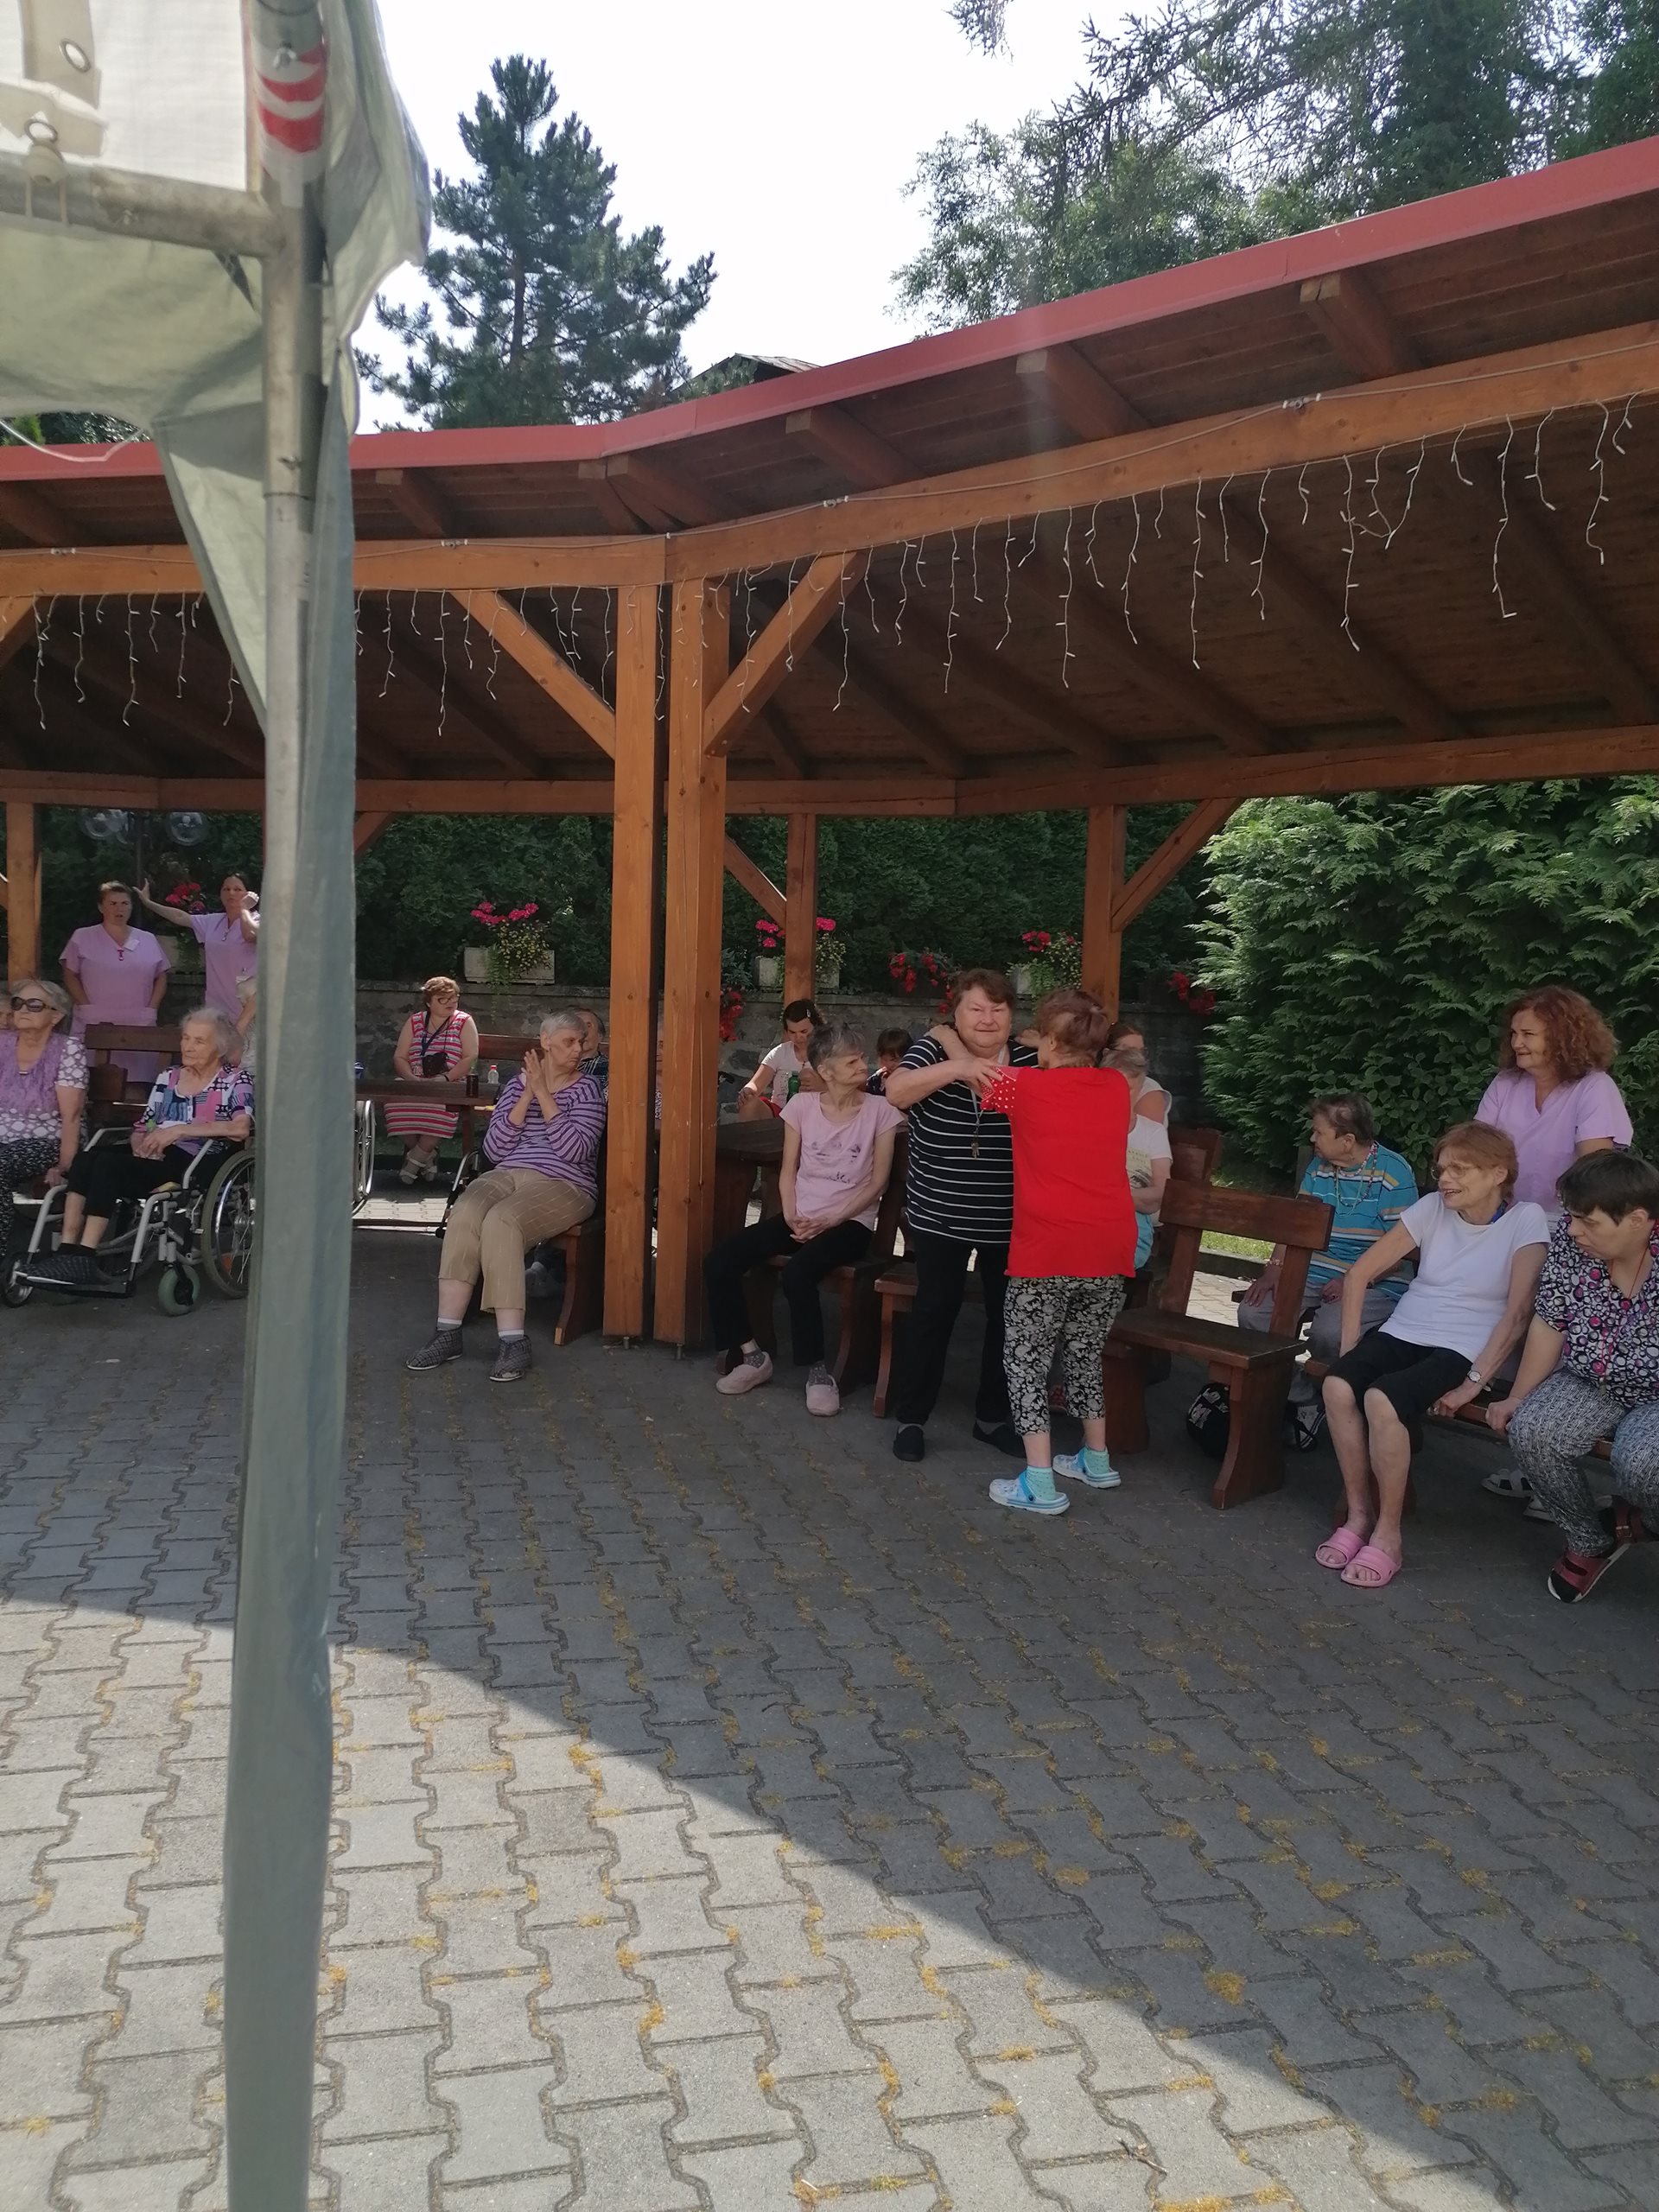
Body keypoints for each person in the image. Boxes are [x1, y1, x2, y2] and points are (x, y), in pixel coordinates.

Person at [1319, 1122, 1548, 1590]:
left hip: (1462, 1347)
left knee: (1382, 1399)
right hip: (1404, 1329)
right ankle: (1358, 1516)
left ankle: (1388, 1536)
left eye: (1459, 1170)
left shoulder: (1526, 1220)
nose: (1444, 1179)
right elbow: (1359, 1274)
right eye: (1442, 1169)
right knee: (1338, 1385)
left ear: (1498, 1173)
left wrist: (1473, 1384)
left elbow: (1520, 1313)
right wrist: (1348, 1353)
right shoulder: (1431, 1209)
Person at [975, 990, 1136, 1515]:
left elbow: (977, 1073)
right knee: (1085, 1353)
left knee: (1026, 1360)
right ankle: (1096, 1460)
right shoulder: (1116, 1086)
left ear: (1047, 1040)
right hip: (1109, 1244)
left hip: (1048, 1247)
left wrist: (953, 1038)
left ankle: (1039, 1483)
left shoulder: (1024, 1087)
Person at [706, 1022, 903, 1416]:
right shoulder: (801, 1108)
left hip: (850, 1224)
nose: (862, 1066)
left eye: (861, 1059)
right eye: (851, 1061)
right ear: (826, 1070)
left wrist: (831, 1219)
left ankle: (817, 1374)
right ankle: (752, 1355)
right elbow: (787, 1170)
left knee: (799, 1274)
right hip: (801, 1217)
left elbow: (878, 1183)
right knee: (720, 1261)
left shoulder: (882, 1112)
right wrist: (792, 1214)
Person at [1489, 1151, 1659, 1604]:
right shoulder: (1573, 1246)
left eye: (1588, 1221)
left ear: (1638, 1220)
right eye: (1572, 1217)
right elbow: (1550, 1322)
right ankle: (1589, 1539)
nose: (1572, 1230)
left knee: (1644, 1464)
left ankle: (1639, 1523)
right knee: (1532, 1430)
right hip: (1590, 1379)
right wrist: (1518, 1396)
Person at [887, 970, 1039, 1463]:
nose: (987, 1018)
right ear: (955, 1014)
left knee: (1007, 1321)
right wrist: (959, 1066)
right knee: (933, 1314)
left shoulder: (1034, 1059)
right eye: (976, 1008)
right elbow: (896, 1092)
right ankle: (911, 1418)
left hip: (1011, 1220)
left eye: (998, 1009)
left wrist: (975, 1063)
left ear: (1012, 1016)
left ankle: (992, 1418)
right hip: (940, 1216)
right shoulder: (932, 1050)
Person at [405, 1013, 605, 1385]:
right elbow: (494, 1151)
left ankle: (513, 1341)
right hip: (508, 1172)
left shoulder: (588, 1090)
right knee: (465, 1212)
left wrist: (544, 1095)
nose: (578, 1049)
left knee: (502, 1220)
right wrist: (526, 1095)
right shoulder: (515, 1086)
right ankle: (447, 1332)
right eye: (569, 1041)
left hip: (566, 1182)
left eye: (581, 1042)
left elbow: (575, 1151)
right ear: (545, 1041)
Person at [1238, 1095, 1419, 1421]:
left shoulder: (1394, 1173)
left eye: (1319, 1132)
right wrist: (1274, 1270)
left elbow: (1402, 1248)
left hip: (1378, 1279)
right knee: (1254, 1313)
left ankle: (1333, 1399)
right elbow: (1295, 1224)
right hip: (1313, 1270)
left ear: (1347, 1140)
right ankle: (1302, 1396)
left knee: (1330, 1333)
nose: (1312, 1138)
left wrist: (1354, 1280)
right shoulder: (1318, 1167)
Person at [42, 1008, 251, 1281]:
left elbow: (240, 1128)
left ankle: (85, 1256)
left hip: (196, 1159)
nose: (188, 1046)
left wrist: (179, 1131)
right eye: (186, 1038)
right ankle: (67, 1251)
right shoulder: (169, 1077)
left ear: (220, 1048)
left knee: (108, 1166)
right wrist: (140, 1142)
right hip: (156, 1154)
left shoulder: (235, 1080)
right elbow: (147, 1123)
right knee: (86, 1159)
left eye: (199, 1041)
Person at [1475, 986, 1630, 1212]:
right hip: (1504, 1217)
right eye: (1514, 1033)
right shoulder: (1505, 1082)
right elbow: (1476, 1149)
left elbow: (1593, 1173)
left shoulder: (1595, 1087)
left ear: (1561, 1038)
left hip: (1569, 1220)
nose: (1516, 1043)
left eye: (1528, 1034)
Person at [0, 980, 86, 1265]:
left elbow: (71, 1116)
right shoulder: (2, 1043)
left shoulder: (67, 1050)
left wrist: (64, 1166)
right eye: (18, 1003)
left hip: (47, 1139)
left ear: (56, 1016)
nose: (23, 1010)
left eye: (34, 1005)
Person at [60, 881, 171, 1084]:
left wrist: (152, 1008)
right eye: (113, 903)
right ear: (101, 907)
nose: (119, 909)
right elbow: (70, 974)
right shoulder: (82, 937)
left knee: (137, 1081)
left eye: (124, 903)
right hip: (95, 1019)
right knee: (89, 1079)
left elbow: (161, 975)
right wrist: (85, 1005)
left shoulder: (147, 939)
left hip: (138, 1020)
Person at [385, 976, 479, 1185]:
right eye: (443, 999)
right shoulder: (415, 1021)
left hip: (449, 1081)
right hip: (415, 1080)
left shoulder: (464, 1021)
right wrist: (411, 1078)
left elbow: (470, 1057)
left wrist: (444, 1078)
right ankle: (428, 1155)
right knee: (394, 1101)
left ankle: (414, 1162)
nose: (450, 1002)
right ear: (429, 1002)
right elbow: (400, 1056)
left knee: (439, 1106)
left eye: (453, 997)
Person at [135, 872, 260, 1021]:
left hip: (246, 1004)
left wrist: (244, 908)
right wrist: (148, 903)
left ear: (249, 894)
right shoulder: (213, 921)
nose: (231, 893)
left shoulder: (257, 920)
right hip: (217, 1004)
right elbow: (180, 917)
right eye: (226, 889)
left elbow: (249, 935)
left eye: (237, 889)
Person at [1109, 1043, 1172, 1271]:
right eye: (1112, 1086)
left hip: (1134, 1227)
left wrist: (1109, 1198)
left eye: (1128, 1088)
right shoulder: (1087, 1126)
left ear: (1140, 1088)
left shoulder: (1152, 1132)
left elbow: (1160, 1192)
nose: (1118, 1094)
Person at [737, 1000, 824, 1121]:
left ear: (816, 1027)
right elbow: (755, 1084)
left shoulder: (829, 1052)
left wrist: (823, 1087)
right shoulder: (780, 1052)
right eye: (792, 1032)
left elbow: (846, 1090)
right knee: (749, 1103)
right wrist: (748, 1091)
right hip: (779, 1115)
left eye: (804, 1031)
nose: (798, 1037)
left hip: (815, 1116)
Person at [1104, 1019, 1171, 1126]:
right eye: (1129, 1052)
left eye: (1141, 1051)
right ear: (1107, 1053)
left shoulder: (1149, 1090)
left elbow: (1146, 1134)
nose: (1138, 1057)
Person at [868, 1028, 913, 1097]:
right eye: (884, 1059)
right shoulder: (875, 1080)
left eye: (895, 1060)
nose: (889, 1065)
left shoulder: (917, 1079)